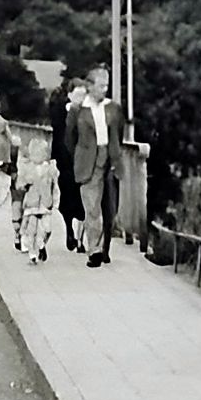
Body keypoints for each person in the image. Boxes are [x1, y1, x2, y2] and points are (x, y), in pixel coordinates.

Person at [71, 67, 124, 268]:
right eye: (101, 86)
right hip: (88, 162)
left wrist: (115, 159)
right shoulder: (78, 110)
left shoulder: (113, 108)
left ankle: (105, 248)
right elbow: (71, 138)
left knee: (110, 207)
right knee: (91, 207)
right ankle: (94, 250)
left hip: (109, 159)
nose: (105, 90)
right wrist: (81, 157)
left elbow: (117, 133)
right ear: (90, 86)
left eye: (107, 86)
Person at [49, 75, 87, 251]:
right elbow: (57, 134)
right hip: (64, 163)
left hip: (82, 162)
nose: (80, 98)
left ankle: (80, 239)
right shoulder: (59, 110)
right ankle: (69, 230)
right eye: (78, 94)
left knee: (83, 200)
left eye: (83, 95)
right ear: (70, 94)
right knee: (66, 198)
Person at [16, 134, 58, 263]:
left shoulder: (50, 169)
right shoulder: (27, 168)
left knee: (47, 229)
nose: (38, 156)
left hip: (46, 203)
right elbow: (19, 184)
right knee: (31, 229)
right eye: (35, 153)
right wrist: (24, 183)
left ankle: (42, 244)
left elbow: (55, 186)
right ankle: (32, 253)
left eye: (41, 153)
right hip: (32, 203)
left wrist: (56, 201)